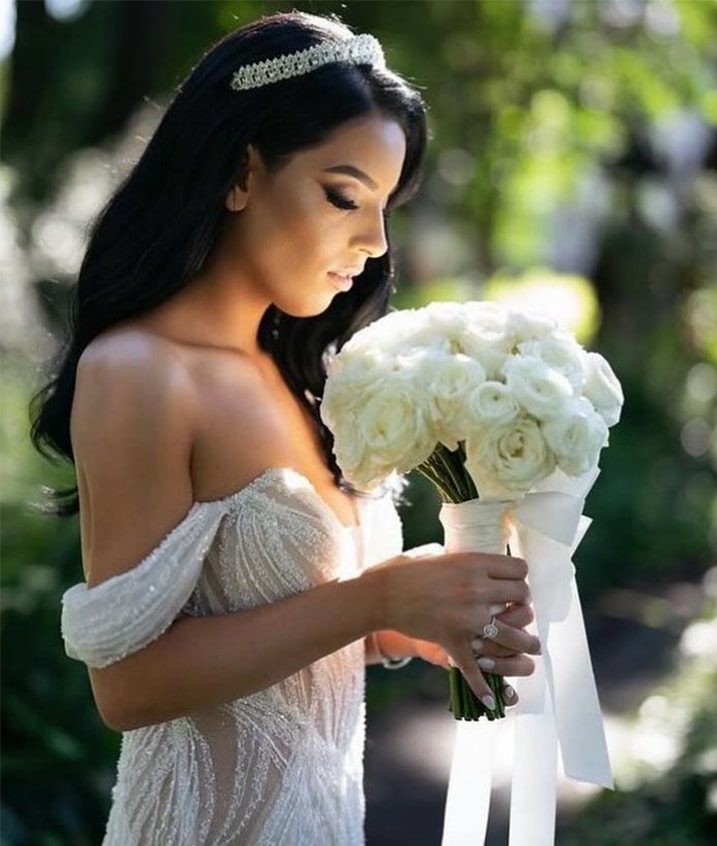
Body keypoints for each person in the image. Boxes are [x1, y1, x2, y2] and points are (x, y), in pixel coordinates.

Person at [31, 11, 541, 845]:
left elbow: (314, 629)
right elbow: (126, 687)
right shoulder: (140, 371)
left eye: (384, 207)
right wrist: (375, 595)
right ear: (240, 172)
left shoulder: (309, 376)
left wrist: (420, 618)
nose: (374, 243)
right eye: (344, 196)